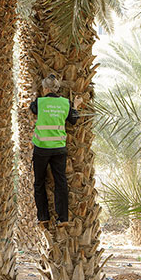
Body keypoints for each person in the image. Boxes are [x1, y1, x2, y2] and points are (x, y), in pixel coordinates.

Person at [30, 74, 82, 229]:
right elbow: (73, 119)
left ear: (45, 88)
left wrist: (36, 97)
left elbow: (33, 110)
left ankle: (43, 218)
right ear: (57, 88)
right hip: (59, 149)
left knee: (39, 183)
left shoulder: (40, 102)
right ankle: (63, 218)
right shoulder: (65, 103)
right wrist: (76, 105)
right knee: (61, 183)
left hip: (41, 149)